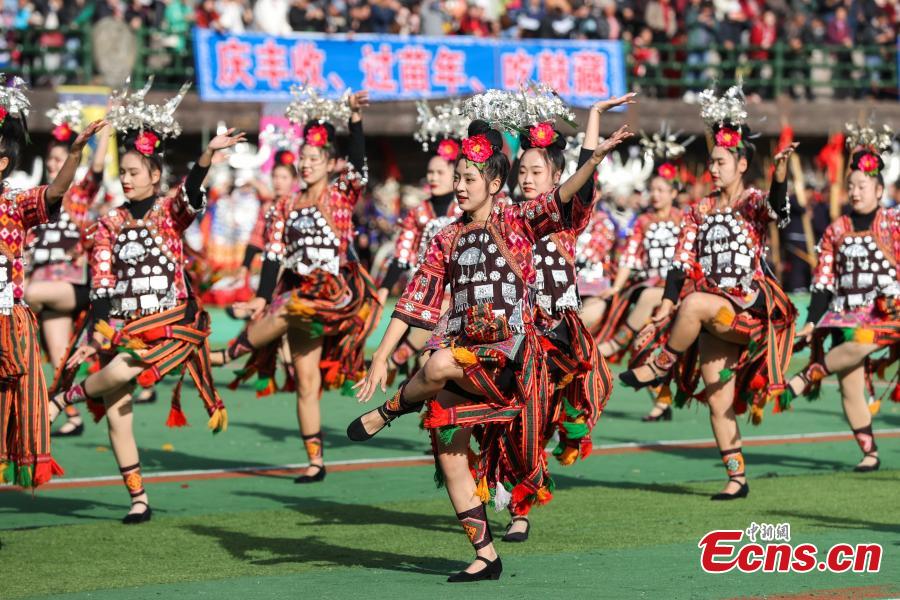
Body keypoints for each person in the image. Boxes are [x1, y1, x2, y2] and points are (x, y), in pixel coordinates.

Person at [347, 112, 632, 581]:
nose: (460, 186)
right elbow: (414, 300)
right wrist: (380, 354)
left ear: (496, 182)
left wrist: (593, 159)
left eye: (469, 178)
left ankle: (393, 409)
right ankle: (485, 555)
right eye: (457, 178)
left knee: (437, 363)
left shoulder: (520, 219)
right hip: (463, 356)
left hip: (510, 358)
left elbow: (564, 196)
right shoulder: (445, 238)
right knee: (447, 448)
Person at [47, 80, 235, 522]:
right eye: (123, 173)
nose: (126, 179)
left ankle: (62, 400)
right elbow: (102, 282)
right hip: (122, 325)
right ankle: (139, 499)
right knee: (117, 414)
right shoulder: (109, 221)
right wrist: (96, 331)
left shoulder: (170, 212)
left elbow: (191, 193)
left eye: (134, 172)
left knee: (126, 366)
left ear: (154, 174)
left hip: (167, 324)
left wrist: (205, 159)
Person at [620, 86, 798, 500]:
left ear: (740, 164)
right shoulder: (697, 210)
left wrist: (780, 177)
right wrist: (665, 302)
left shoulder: (754, 201)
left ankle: (662, 365)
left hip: (749, 308)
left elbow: (778, 212)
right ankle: (737, 477)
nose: (713, 169)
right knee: (719, 401)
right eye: (712, 162)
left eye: (721, 162)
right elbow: (680, 263)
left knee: (695, 303)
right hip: (714, 315)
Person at [212, 87, 381, 485]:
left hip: (337, 293)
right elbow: (272, 255)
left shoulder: (342, 195)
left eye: (313, 159)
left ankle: (227, 355)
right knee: (306, 382)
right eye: (302, 158)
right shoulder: (282, 206)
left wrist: (354, 120)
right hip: (300, 295)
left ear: (328, 163)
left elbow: (359, 168)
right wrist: (258, 296)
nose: (305, 165)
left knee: (291, 305)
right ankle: (315, 461)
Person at [0, 74, 105, 487]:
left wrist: (77, 156)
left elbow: (56, 192)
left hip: (10, 320)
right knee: (59, 353)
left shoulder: (15, 202)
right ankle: (68, 405)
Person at [784, 122, 896, 473]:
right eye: (851, 186)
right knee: (850, 385)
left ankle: (807, 376)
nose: (856, 191)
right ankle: (869, 452)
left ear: (879, 190)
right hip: (845, 313)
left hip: (888, 313)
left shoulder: (894, 224)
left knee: (864, 340)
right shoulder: (836, 229)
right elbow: (824, 282)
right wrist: (813, 322)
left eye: (863, 186)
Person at [25, 100, 111, 437]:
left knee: (27, 294)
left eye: (60, 159)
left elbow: (99, 167)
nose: (53, 164)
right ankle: (73, 415)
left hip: (70, 285)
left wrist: (106, 129)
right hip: (46, 290)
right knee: (62, 362)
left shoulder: (78, 196)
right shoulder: (35, 201)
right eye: (50, 160)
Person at [596, 125, 693, 421]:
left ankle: (617, 340)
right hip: (649, 288)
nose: (655, 194)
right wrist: (616, 287)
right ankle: (662, 402)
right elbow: (629, 256)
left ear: (675, 192)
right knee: (646, 344)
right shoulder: (643, 221)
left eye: (662, 190)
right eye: (652, 189)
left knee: (649, 302)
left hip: (680, 288)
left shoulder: (685, 219)